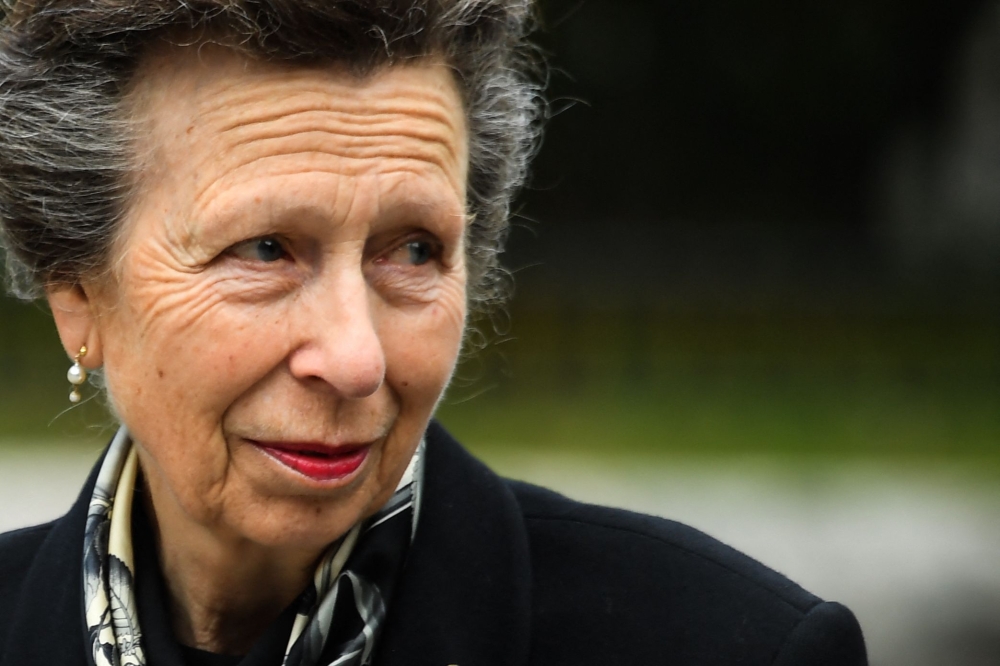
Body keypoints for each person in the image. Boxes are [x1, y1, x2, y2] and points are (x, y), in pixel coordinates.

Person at [0, 2, 868, 665]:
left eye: (414, 250)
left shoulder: (730, 647)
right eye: (265, 249)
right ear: (78, 293)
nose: (354, 359)